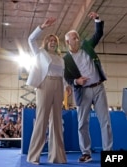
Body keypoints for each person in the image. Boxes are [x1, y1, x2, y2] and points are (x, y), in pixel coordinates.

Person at [63, 11, 113, 163]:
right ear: (67, 42)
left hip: (98, 88)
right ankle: (86, 152)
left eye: (77, 36)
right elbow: (67, 78)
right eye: (74, 38)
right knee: (82, 124)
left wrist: (97, 19)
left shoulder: (86, 45)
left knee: (105, 121)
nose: (77, 39)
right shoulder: (66, 59)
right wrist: (76, 82)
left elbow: (98, 34)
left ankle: (108, 154)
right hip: (82, 92)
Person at [26, 17, 68, 165]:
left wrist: (66, 87)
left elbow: (63, 76)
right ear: (46, 42)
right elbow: (30, 39)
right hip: (45, 85)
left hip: (58, 87)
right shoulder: (40, 53)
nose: (53, 42)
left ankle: (57, 157)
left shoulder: (60, 58)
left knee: (57, 121)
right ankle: (33, 156)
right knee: (42, 120)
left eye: (55, 40)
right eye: (50, 40)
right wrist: (42, 27)